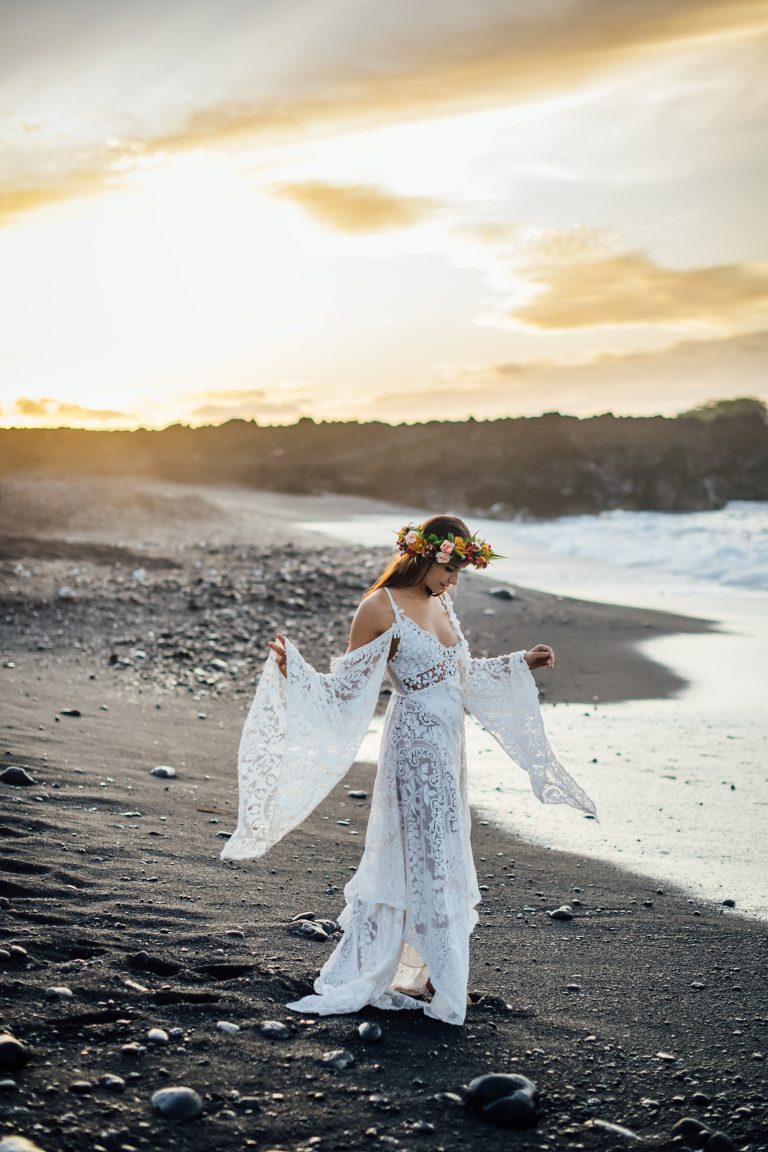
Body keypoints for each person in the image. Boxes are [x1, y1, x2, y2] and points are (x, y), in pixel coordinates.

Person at [221, 514, 595, 1025]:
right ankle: (434, 974)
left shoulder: (442, 603)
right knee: (425, 853)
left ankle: (437, 971)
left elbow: (459, 675)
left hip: (448, 750)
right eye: (452, 569)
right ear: (426, 556)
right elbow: (347, 686)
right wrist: (298, 674)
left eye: (461, 572)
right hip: (413, 748)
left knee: (447, 851)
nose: (454, 582)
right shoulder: (380, 607)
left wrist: (519, 662)